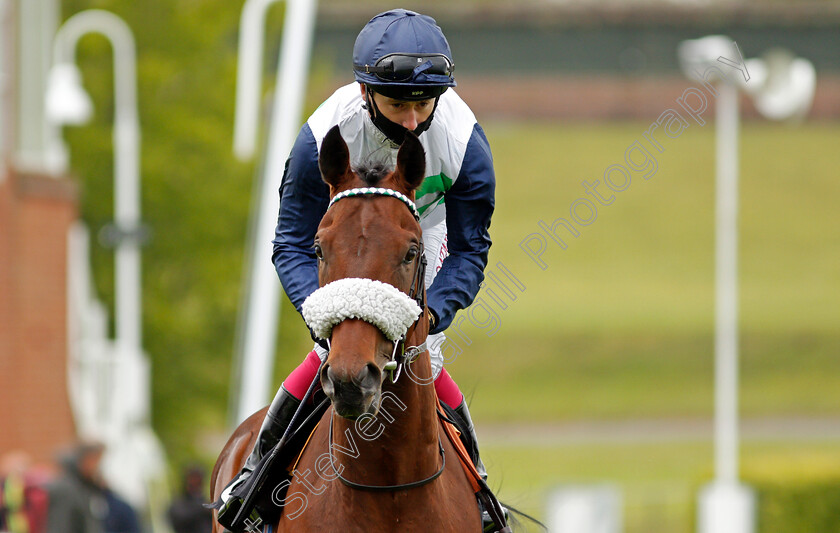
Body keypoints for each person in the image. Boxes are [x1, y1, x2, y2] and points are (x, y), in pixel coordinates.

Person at [220, 8, 501, 529]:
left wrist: (430, 315)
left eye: (423, 104)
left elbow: (469, 251)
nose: (414, 120)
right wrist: (326, 315)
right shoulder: (322, 135)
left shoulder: (465, 144)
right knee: (333, 348)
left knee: (426, 356)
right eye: (399, 105)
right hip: (349, 238)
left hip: (422, 235)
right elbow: (290, 243)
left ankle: (482, 498)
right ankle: (255, 484)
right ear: (367, 93)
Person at [45, 442, 108, 533]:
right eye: (95, 461)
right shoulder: (66, 489)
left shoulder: (85, 487)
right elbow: (60, 526)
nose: (96, 467)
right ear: (83, 459)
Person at [167, 466, 212, 533]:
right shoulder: (178, 504)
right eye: (193, 480)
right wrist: (204, 509)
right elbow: (181, 518)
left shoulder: (204, 501)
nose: (196, 484)